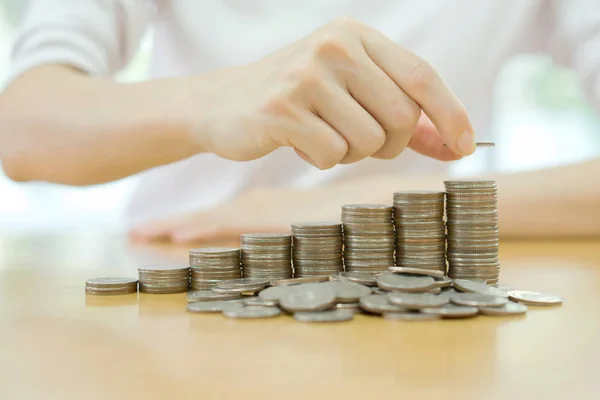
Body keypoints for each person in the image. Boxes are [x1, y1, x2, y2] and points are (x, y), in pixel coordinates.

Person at [0, 0, 599, 243]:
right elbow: (22, 129)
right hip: (185, 265)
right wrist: (214, 102)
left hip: (421, 290)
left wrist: (373, 203)